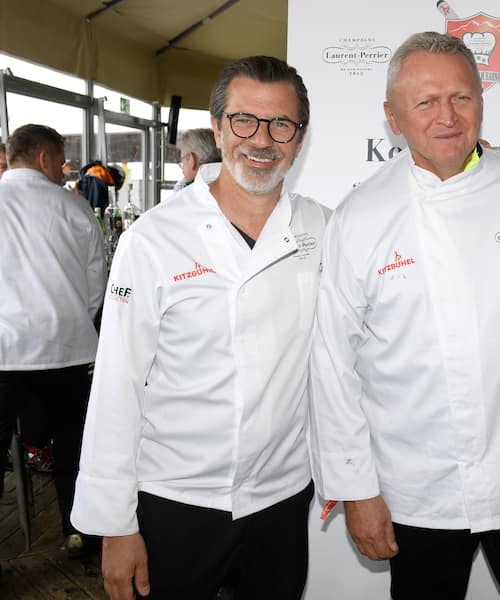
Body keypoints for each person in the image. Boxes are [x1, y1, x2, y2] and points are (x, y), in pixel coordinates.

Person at [309, 32, 500, 600]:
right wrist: (356, 489)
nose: (447, 116)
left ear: (481, 101)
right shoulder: (360, 217)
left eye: (461, 97)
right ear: (393, 117)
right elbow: (332, 367)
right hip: (416, 490)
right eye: (425, 102)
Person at [71, 56, 328, 600]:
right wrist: (115, 525)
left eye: (281, 124)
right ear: (217, 127)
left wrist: (474, 172)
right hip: (174, 500)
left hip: (281, 499)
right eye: (244, 120)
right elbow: (117, 386)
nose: (262, 139)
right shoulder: (153, 240)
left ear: (300, 138)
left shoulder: (323, 228)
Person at [0, 124, 106, 582]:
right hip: (66, 351)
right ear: (43, 158)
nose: (63, 169)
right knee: (73, 449)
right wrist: (71, 319)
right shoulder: (75, 208)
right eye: (60, 160)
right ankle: (78, 533)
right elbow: (96, 286)